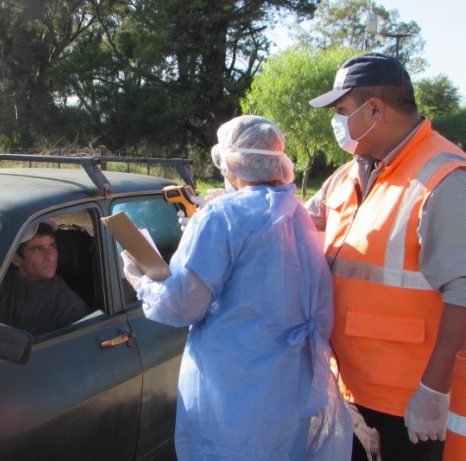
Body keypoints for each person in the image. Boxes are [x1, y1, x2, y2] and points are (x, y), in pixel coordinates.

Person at [306, 52, 466, 461]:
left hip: (408, 403)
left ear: (374, 110)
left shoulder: (447, 179)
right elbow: (299, 224)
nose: (337, 123)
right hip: (348, 389)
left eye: (342, 111)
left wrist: (433, 391)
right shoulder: (349, 174)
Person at [123, 115, 351, 460]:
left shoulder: (222, 217)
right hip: (288, 382)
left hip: (234, 394)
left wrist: (140, 281)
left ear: (231, 163)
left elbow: (182, 305)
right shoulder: (295, 211)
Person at [0, 220, 90, 336]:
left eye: (52, 246)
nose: (50, 257)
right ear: (16, 259)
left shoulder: (71, 309)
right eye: (37, 249)